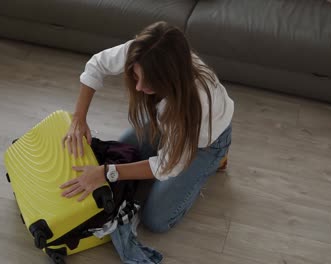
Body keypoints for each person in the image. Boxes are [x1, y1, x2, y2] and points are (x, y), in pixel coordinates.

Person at [60, 21, 234, 233]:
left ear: (169, 78)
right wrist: (78, 118)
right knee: (119, 154)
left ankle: (211, 163)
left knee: (155, 219)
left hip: (205, 143)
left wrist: (106, 173)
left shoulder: (195, 104)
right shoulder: (145, 52)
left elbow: (166, 166)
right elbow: (97, 65)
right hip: (167, 123)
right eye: (136, 76)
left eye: (149, 82)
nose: (139, 87)